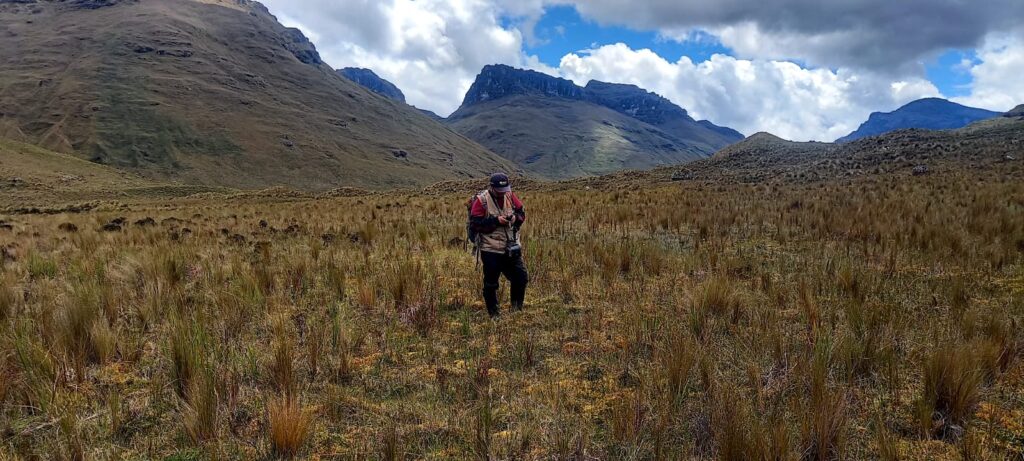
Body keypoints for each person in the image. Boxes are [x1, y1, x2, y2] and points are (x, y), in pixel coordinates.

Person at [469, 173, 528, 318]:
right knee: (491, 283)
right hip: (490, 249)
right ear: (492, 187)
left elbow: (521, 213)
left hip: (511, 246)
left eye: (505, 190)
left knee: (521, 277)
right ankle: (494, 314)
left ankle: (516, 310)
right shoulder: (481, 201)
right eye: (499, 191)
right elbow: (475, 224)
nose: (503, 193)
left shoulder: (510, 195)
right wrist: (496, 221)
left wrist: (515, 218)